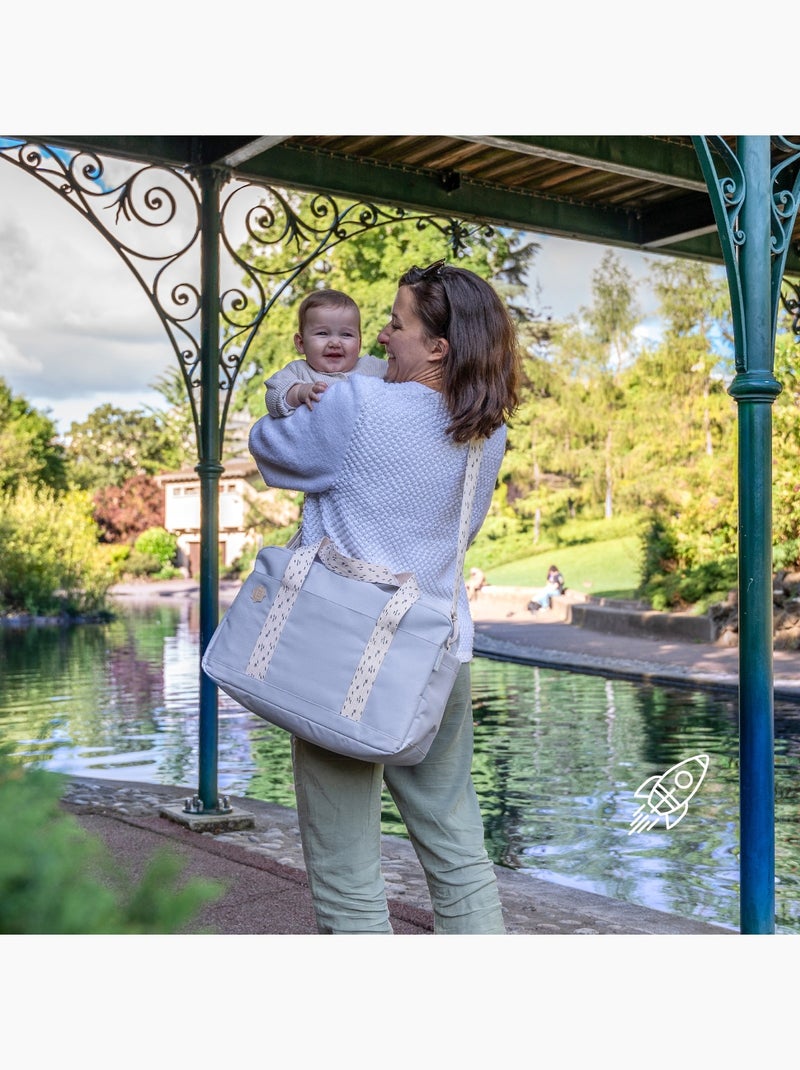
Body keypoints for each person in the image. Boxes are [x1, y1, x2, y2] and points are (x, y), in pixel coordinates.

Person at [248, 258, 520, 934]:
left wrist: (289, 398)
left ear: (437, 346)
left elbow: (271, 453)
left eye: (395, 326)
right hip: (439, 650)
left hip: (346, 651)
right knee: (456, 843)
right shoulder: (489, 430)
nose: (377, 342)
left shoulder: (357, 404)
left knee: (345, 865)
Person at [264, 288, 386, 417]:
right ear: (301, 343)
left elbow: (406, 378)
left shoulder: (372, 366)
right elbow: (273, 397)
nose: (335, 343)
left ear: (359, 344)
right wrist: (299, 391)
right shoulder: (298, 371)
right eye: (322, 333)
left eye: (346, 334)